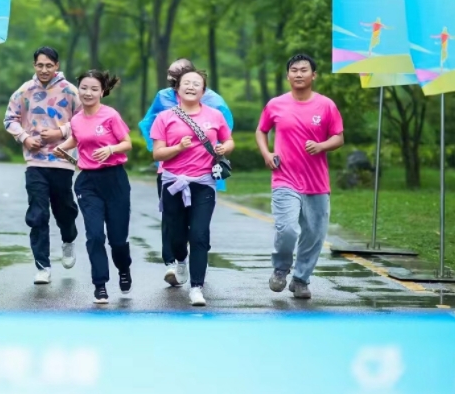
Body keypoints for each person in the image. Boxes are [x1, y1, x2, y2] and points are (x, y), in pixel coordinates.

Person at [255, 53, 344, 301]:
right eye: (294, 70)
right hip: (284, 179)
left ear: (313, 75)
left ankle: (301, 279)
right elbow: (261, 131)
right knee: (287, 229)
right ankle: (280, 269)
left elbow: (338, 137)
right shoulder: (276, 104)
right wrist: (266, 153)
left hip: (317, 182)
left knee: (314, 235)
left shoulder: (326, 105)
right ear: (288, 75)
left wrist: (322, 145)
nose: (298, 74)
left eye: (304, 70)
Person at [139, 58, 234, 286]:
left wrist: (221, 148)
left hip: (203, 174)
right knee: (173, 223)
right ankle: (173, 261)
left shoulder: (214, 103)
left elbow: (226, 133)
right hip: (170, 171)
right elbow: (148, 124)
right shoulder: (163, 97)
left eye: (176, 74)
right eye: (171, 75)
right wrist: (166, 150)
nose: (170, 78)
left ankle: (198, 266)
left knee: (199, 227)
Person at [53, 71, 133, 305]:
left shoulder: (111, 115)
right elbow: (78, 139)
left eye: (94, 89)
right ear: (78, 89)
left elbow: (126, 143)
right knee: (95, 235)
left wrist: (111, 149)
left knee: (118, 240)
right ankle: (100, 285)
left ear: (102, 92)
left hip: (115, 180)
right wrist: (63, 148)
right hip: (88, 182)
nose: (88, 93)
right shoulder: (76, 119)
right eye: (84, 88)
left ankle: (124, 268)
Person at [4, 46, 81, 284]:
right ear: (34, 65)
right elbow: (10, 119)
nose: (44, 70)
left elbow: (83, 120)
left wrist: (60, 132)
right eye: (40, 65)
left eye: (49, 65)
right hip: (35, 162)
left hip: (62, 160)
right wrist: (25, 138)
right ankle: (42, 266)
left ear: (57, 65)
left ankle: (68, 239)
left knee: (64, 210)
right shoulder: (24, 91)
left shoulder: (70, 91)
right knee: (37, 214)